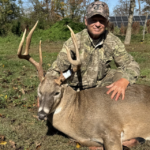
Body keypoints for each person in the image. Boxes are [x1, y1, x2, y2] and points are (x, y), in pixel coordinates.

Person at [46, 1, 140, 101]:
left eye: (101, 20)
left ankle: (117, 108)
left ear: (107, 23)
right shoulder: (73, 42)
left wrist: (124, 81)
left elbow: (131, 65)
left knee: (121, 75)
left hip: (101, 88)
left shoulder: (113, 41)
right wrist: (45, 92)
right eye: (93, 20)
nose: (97, 24)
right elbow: (55, 70)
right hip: (76, 91)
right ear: (86, 21)